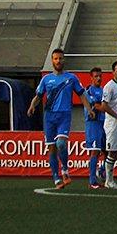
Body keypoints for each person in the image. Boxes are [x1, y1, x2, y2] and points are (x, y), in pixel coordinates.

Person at [27, 48, 84, 188]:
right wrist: (32, 106)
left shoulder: (71, 78)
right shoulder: (46, 79)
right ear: (52, 61)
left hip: (64, 115)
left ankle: (65, 169)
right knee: (51, 148)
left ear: (64, 60)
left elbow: (81, 94)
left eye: (60, 58)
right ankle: (56, 178)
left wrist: (88, 108)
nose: (58, 61)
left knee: (61, 144)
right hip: (49, 117)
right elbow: (39, 96)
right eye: (56, 58)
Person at [82, 67, 107, 189]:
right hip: (93, 124)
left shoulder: (104, 90)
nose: (99, 78)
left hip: (104, 123)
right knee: (95, 151)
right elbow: (96, 105)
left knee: (109, 151)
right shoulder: (88, 91)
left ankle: (102, 172)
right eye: (96, 76)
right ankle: (92, 181)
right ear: (91, 78)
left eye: (100, 76)